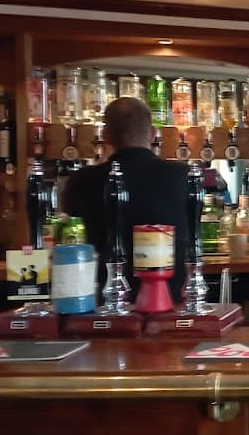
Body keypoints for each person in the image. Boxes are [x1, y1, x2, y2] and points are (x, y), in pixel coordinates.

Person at [63, 97, 189, 302]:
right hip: (171, 296)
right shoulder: (182, 175)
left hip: (106, 296)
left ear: (105, 136)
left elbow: (68, 212)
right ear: (153, 133)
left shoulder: (83, 179)